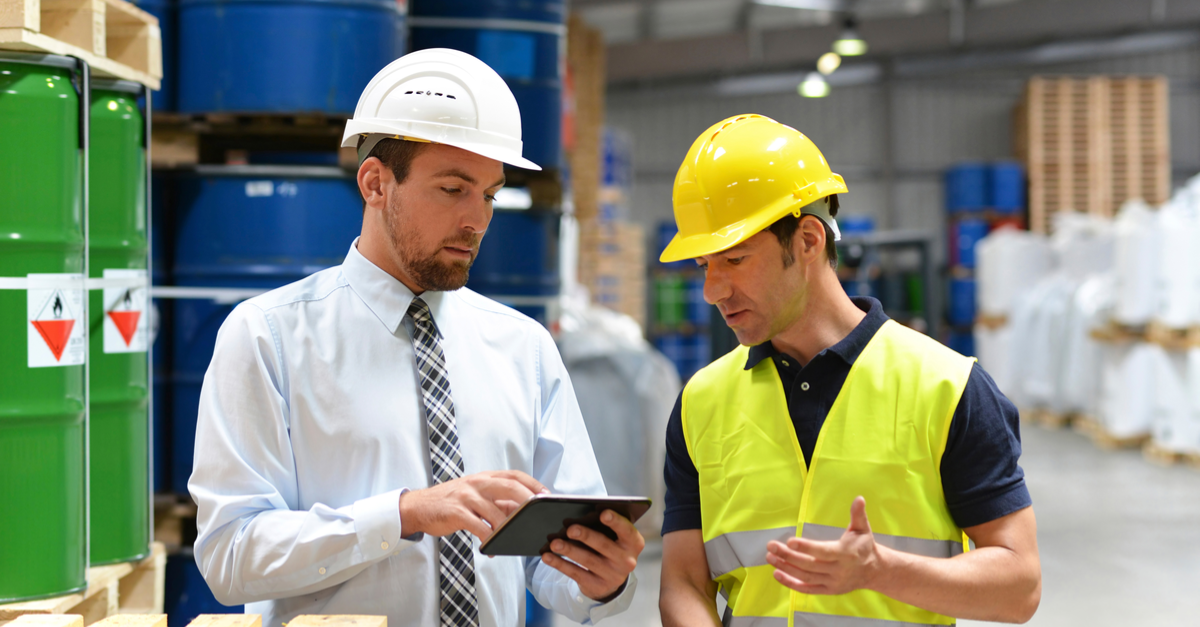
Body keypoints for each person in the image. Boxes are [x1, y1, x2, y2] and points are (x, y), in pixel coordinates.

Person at [188, 49, 644, 627]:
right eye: (454, 189)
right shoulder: (269, 337)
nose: (477, 220)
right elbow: (231, 557)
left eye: (490, 194)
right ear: (375, 184)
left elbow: (555, 566)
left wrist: (600, 581)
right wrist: (402, 515)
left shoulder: (523, 348)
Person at [656, 114, 1041, 627]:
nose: (713, 290)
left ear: (809, 241)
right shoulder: (701, 402)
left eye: (735, 259)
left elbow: (1019, 590)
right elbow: (683, 582)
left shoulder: (948, 389)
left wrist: (882, 572)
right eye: (706, 266)